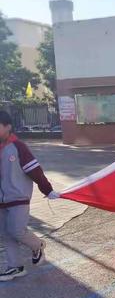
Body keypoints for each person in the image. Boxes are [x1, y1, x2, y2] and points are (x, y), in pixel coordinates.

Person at [0, 111, 60, 281]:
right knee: (4, 234)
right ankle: (15, 267)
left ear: (8, 127)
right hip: (1, 201)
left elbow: (35, 171)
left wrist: (47, 190)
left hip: (18, 198)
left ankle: (37, 245)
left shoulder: (18, 147)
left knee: (16, 231)